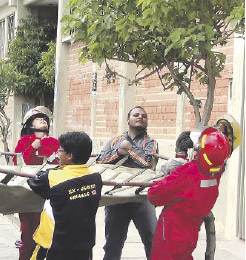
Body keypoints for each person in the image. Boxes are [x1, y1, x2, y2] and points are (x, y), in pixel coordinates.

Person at [148, 127, 236, 260]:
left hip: (171, 234)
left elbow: (154, 195)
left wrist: (166, 176)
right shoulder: (216, 173)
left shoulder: (187, 172)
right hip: (191, 233)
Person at [28, 131, 102, 260]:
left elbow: (34, 182)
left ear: (70, 156)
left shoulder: (51, 177)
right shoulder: (96, 179)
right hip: (84, 247)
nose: (57, 153)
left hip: (53, 246)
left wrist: (52, 170)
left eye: (60, 150)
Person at [97, 106, 158, 260]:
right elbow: (100, 161)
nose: (140, 117)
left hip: (142, 197)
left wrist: (129, 151)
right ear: (128, 119)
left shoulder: (151, 142)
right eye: (136, 115)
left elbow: (148, 164)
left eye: (144, 116)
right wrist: (118, 153)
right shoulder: (114, 141)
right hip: (116, 197)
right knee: (113, 243)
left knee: (152, 240)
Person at [13, 106, 59, 260]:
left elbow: (58, 162)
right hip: (28, 192)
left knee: (50, 232)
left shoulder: (54, 142)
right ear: (30, 124)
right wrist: (34, 147)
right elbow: (18, 162)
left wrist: (47, 147)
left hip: (50, 192)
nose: (43, 120)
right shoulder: (24, 141)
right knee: (28, 233)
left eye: (45, 119)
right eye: (39, 119)